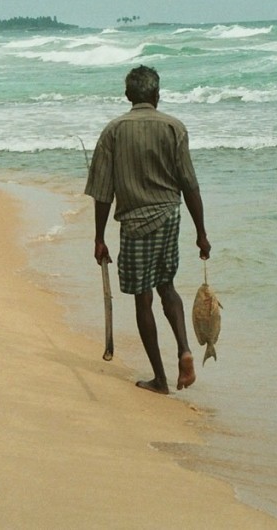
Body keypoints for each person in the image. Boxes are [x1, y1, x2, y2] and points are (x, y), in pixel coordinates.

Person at [84, 65, 211, 395]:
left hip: (135, 224)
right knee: (167, 287)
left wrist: (99, 238)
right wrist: (201, 233)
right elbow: (190, 185)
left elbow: (102, 192)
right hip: (170, 216)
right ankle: (184, 349)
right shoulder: (174, 127)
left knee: (144, 300)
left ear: (128, 96)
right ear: (157, 95)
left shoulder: (113, 131)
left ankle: (160, 379)